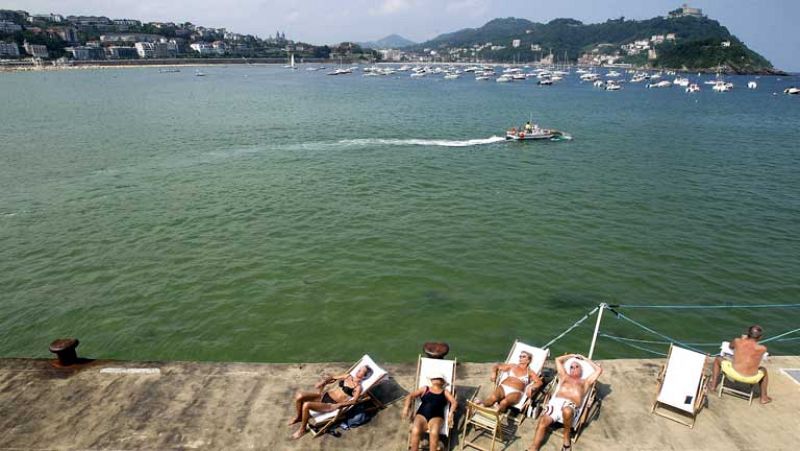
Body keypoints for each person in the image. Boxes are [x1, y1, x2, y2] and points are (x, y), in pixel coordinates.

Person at [529, 354, 602, 451]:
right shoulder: (564, 377)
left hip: (571, 406)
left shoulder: (586, 382)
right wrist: (572, 355)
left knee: (567, 410)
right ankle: (534, 448)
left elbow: (599, 370)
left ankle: (566, 440)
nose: (574, 368)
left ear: (581, 370)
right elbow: (557, 359)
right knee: (543, 421)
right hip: (555, 404)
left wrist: (584, 359)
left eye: (577, 367)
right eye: (571, 367)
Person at [288, 365, 373, 439]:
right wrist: (323, 382)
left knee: (306, 405)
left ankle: (302, 430)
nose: (358, 370)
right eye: (359, 369)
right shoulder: (348, 376)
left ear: (364, 376)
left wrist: (339, 405)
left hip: (331, 404)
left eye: (362, 371)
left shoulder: (358, 388)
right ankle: (299, 417)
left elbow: (354, 401)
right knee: (300, 396)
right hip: (324, 396)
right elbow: (333, 377)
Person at [709, 325, 772, 404]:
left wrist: (743, 338)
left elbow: (730, 346)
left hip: (733, 373)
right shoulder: (762, 349)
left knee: (718, 359)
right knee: (764, 370)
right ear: (760, 337)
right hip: (751, 378)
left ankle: (713, 386)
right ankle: (764, 397)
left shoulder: (737, 341)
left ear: (747, 333)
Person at [403, 373, 458, 451]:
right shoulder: (425, 389)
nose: (435, 379)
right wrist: (406, 407)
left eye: (438, 378)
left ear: (443, 382)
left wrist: (451, 414)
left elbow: (454, 402)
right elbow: (410, 396)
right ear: (431, 380)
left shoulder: (445, 392)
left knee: (434, 433)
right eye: (434, 378)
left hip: (436, 417)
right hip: (421, 416)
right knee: (415, 430)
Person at [478, 350, 543, 413]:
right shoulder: (512, 366)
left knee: (504, 403)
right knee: (492, 398)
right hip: (503, 387)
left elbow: (539, 382)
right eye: (520, 356)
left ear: (528, 360)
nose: (520, 358)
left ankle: (499, 410)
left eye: (523, 356)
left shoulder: (530, 372)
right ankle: (480, 407)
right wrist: (494, 372)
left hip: (516, 392)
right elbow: (497, 366)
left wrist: (531, 386)